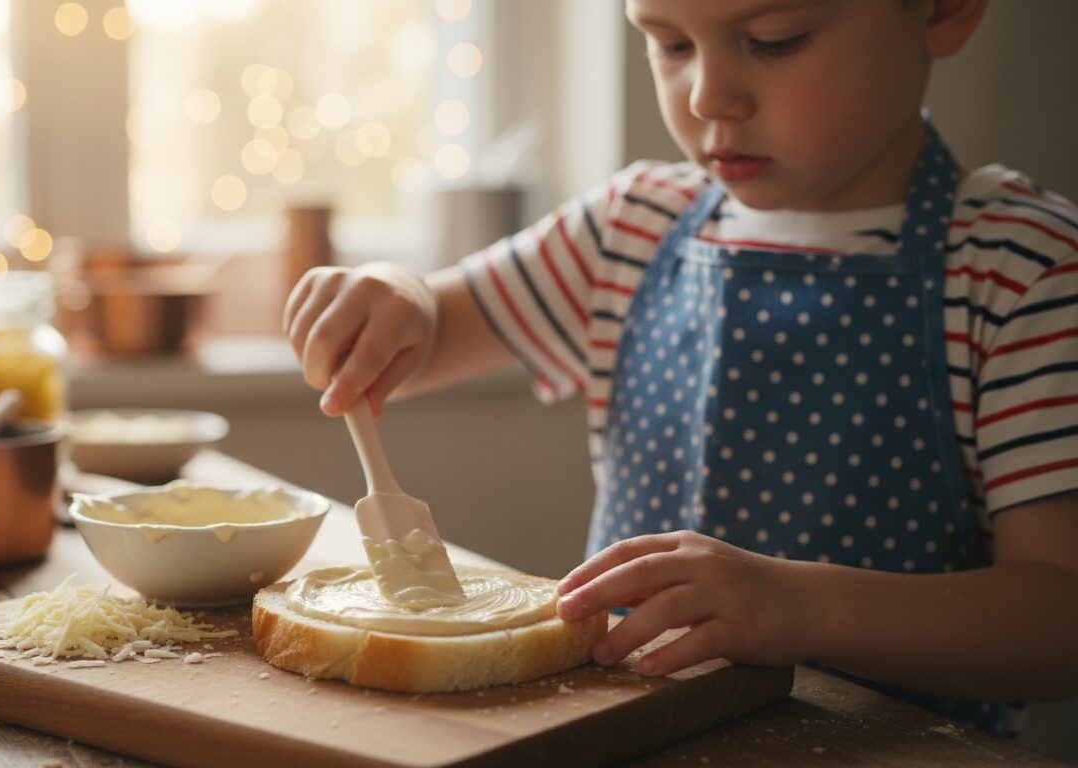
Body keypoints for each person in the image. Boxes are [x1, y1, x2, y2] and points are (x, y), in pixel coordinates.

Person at [282, 0, 1078, 736]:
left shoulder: (1020, 271)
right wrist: (397, 299)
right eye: (669, 43)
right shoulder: (630, 227)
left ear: (942, 10)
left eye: (774, 40)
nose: (706, 96)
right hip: (626, 741)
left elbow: (1057, 620)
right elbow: (431, 331)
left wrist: (803, 608)